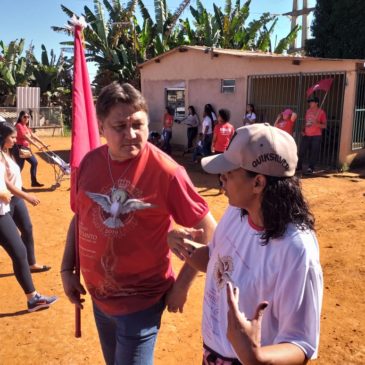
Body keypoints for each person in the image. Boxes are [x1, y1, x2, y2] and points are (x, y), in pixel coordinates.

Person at [60, 82, 216, 365]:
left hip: (141, 301)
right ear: (101, 127)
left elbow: (209, 230)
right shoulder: (90, 164)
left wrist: (182, 286)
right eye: (119, 126)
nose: (131, 135)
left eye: (138, 125)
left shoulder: (167, 171)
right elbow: (80, 215)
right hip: (98, 297)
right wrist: (66, 268)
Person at [168, 123, 323, 365]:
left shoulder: (295, 249)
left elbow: (301, 343)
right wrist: (183, 246)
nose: (221, 180)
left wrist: (255, 356)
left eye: (229, 173)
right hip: (213, 355)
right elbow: (216, 259)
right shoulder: (237, 211)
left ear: (258, 183)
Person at [0, 133, 57, 312]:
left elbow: (6, 181)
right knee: (19, 252)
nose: (15, 140)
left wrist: (22, 195)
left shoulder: (3, 155)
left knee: (20, 251)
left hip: (3, 210)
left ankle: (33, 298)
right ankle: (33, 299)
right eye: (12, 136)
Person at [0, 122, 51, 273]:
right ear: (3, 137)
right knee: (7, 236)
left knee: (27, 228)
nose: (15, 140)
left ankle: (31, 263)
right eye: (13, 137)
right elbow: (6, 184)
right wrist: (26, 195)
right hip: (8, 199)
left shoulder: (7, 151)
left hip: (17, 199)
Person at [13, 110, 48, 187]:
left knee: (34, 162)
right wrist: (37, 146)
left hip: (25, 148)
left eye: (28, 117)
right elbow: (27, 137)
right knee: (19, 168)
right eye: (24, 117)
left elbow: (33, 135)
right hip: (19, 149)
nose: (26, 118)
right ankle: (16, 185)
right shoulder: (19, 125)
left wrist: (43, 143)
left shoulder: (26, 126)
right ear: (20, 117)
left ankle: (34, 182)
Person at [297, 96, 327, 174]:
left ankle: (311, 168)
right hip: (306, 134)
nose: (310, 103)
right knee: (301, 151)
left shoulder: (321, 112)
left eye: (312, 102)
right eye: (309, 102)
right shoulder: (308, 111)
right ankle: (299, 166)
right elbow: (306, 122)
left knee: (314, 152)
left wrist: (316, 124)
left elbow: (324, 126)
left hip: (316, 135)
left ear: (316, 103)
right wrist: (303, 130)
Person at [211, 109, 235, 193]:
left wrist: (212, 146)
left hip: (218, 150)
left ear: (222, 117)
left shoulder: (217, 127)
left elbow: (214, 138)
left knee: (219, 170)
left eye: (219, 115)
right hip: (227, 151)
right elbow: (232, 139)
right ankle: (226, 186)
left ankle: (222, 186)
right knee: (226, 169)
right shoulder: (231, 127)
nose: (218, 117)